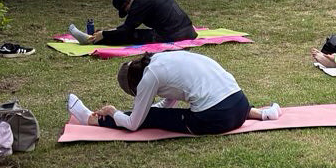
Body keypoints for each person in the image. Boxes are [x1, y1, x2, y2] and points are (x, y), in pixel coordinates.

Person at [67, 51, 280, 134]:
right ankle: (263, 114)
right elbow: (169, 102)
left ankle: (91, 120)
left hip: (216, 119)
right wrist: (147, 110)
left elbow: (133, 124)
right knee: (154, 112)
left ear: (135, 86)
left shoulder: (149, 77)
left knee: (149, 117)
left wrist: (113, 112)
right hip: (240, 105)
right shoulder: (163, 59)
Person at [68, 0, 197, 45]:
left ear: (126, 4)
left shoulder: (138, 5)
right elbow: (127, 25)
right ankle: (97, 36)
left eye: (126, 11)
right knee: (129, 32)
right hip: (188, 30)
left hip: (174, 35)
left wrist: (105, 34)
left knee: (130, 36)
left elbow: (126, 30)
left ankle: (90, 40)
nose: (128, 13)